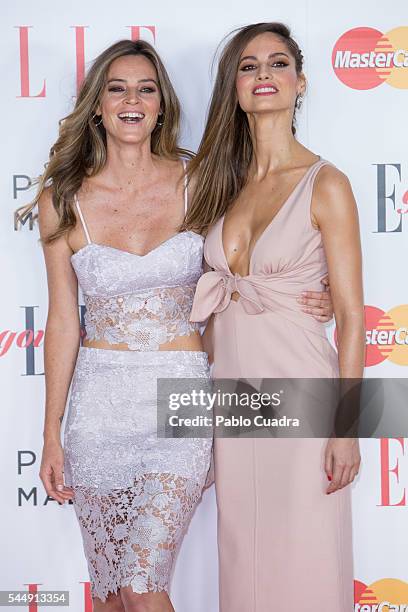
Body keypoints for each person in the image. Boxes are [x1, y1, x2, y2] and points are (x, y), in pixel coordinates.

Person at [18, 39, 213, 612]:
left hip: (180, 403)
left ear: (161, 105)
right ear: (97, 104)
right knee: (108, 595)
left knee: (142, 586)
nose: (132, 99)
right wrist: (52, 432)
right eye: (117, 87)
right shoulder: (64, 199)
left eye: (145, 88)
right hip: (98, 409)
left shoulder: (198, 180)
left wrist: (306, 292)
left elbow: (241, 268)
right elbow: (62, 319)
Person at [187, 22, 365, 611]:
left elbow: (352, 317)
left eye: (278, 63)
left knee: (306, 562)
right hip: (234, 402)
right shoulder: (219, 187)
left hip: (302, 395)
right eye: (248, 65)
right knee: (245, 568)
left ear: (301, 82)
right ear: (235, 90)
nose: (264, 74)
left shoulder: (326, 183)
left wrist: (346, 429)